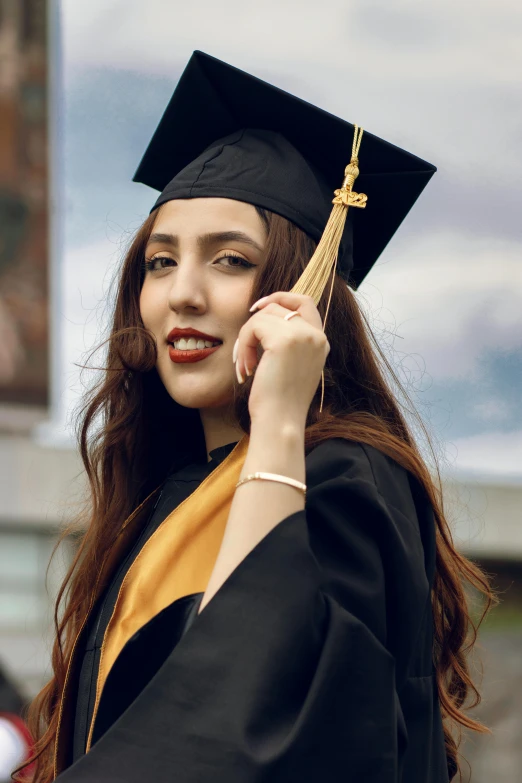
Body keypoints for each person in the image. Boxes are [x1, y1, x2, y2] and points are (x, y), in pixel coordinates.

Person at [18, 52, 494, 783]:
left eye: (230, 260)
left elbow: (256, 726)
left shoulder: (348, 481)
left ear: (300, 286)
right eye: (160, 261)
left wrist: (278, 420)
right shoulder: (160, 494)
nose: (182, 292)